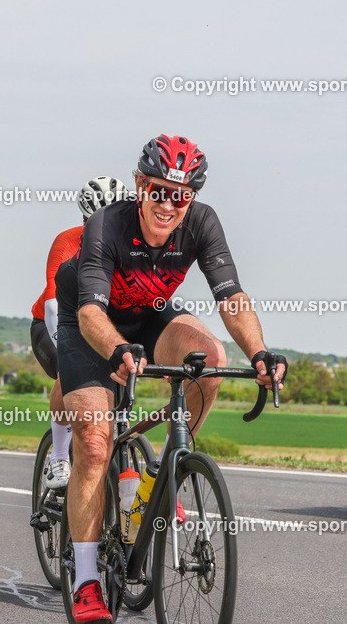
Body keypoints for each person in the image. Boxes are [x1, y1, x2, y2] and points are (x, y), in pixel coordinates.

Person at [56, 135, 287, 623]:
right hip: (91, 324)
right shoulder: (106, 225)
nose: (168, 205)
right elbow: (93, 312)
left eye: (180, 196)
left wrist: (259, 353)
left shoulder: (202, 222)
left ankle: (159, 476)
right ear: (140, 185)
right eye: (159, 191)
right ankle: (86, 580)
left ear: (192, 198)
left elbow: (231, 297)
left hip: (151, 315)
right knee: (94, 445)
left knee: (211, 358)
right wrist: (117, 348)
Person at [30, 176, 133, 490]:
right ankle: (59, 457)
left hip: (100, 328)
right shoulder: (67, 242)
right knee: (69, 374)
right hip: (53, 324)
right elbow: (52, 307)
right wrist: (70, 355)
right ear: (84, 219)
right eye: (94, 222)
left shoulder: (133, 248)